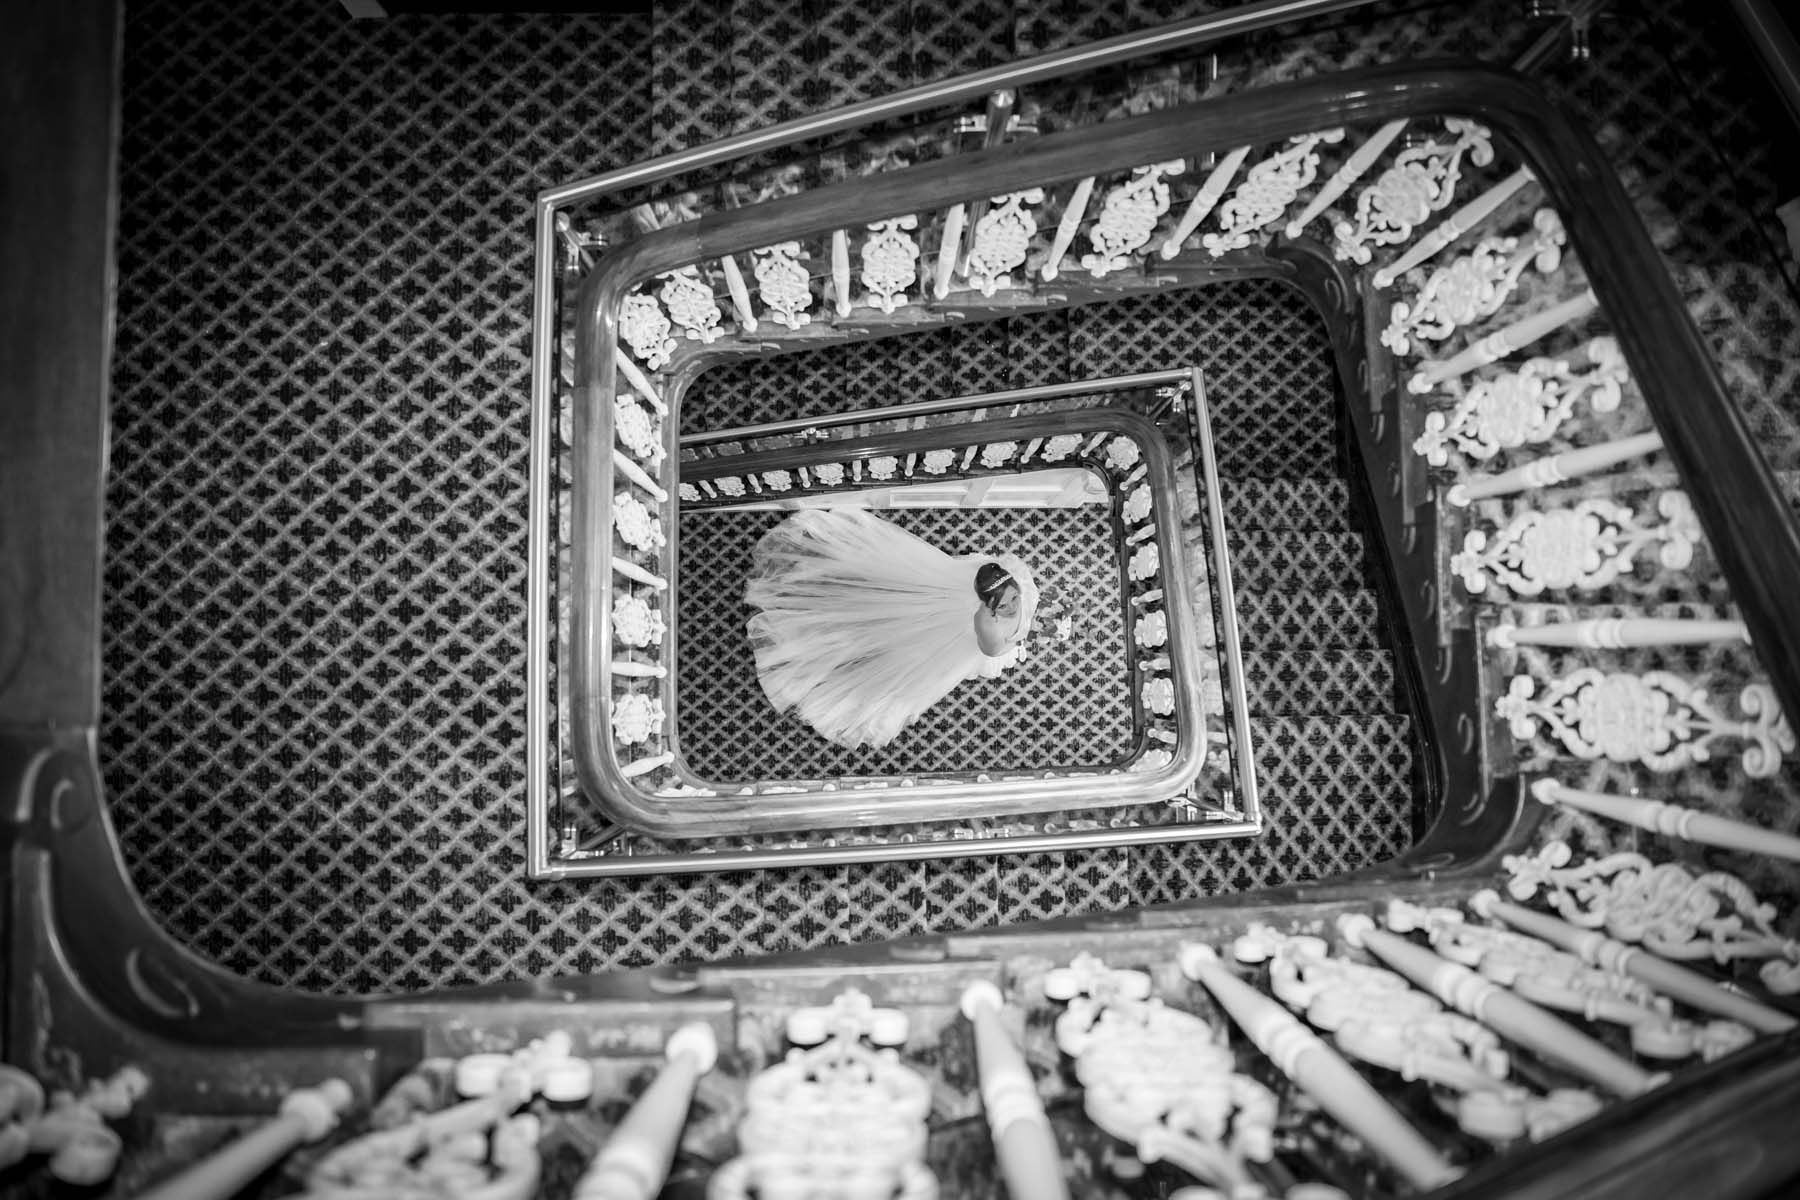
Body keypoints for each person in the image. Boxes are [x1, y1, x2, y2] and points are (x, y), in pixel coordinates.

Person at [744, 507, 1039, 749]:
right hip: (944, 638)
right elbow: (992, 650)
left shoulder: (992, 583)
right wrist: (1018, 639)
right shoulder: (983, 622)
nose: (1014, 605)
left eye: (1014, 597)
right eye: (1005, 605)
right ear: (988, 607)